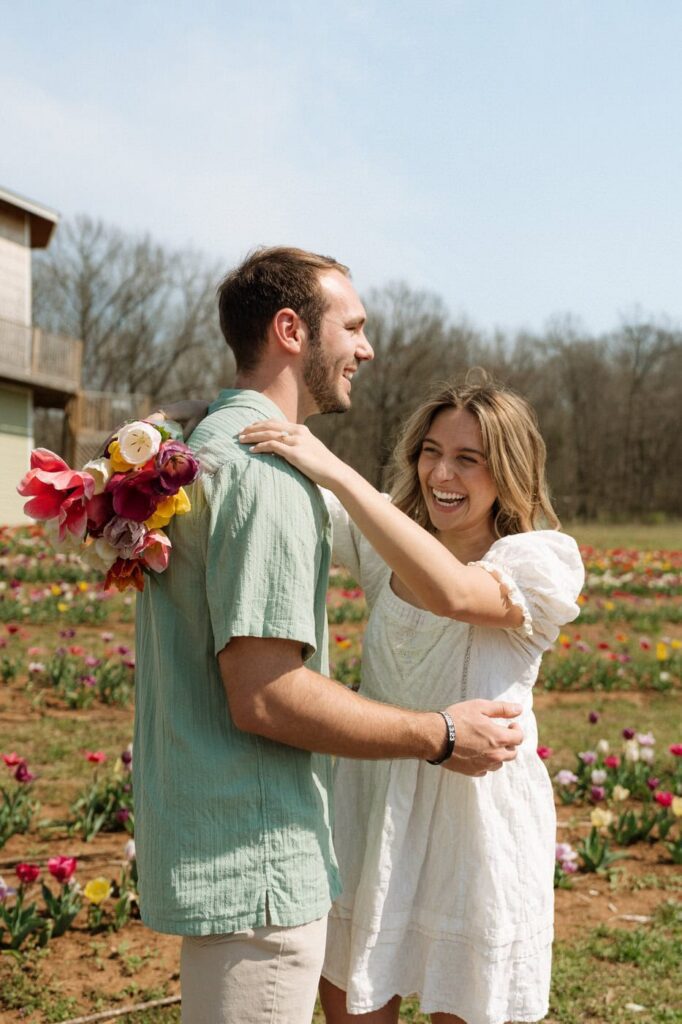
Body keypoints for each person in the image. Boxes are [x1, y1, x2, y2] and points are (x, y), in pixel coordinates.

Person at [135, 248, 524, 1024]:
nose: (367, 348)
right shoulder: (266, 474)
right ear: (290, 330)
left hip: (217, 840)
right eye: (352, 326)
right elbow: (268, 696)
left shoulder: (194, 457)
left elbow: (446, 582)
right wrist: (439, 733)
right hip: (258, 858)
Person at [239, 376, 584, 1024]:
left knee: (466, 1007)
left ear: (507, 471)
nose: (441, 473)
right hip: (374, 801)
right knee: (355, 1001)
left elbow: (454, 592)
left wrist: (340, 474)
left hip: (477, 823)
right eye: (430, 451)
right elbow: (284, 475)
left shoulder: (540, 562)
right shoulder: (384, 547)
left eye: (468, 458)